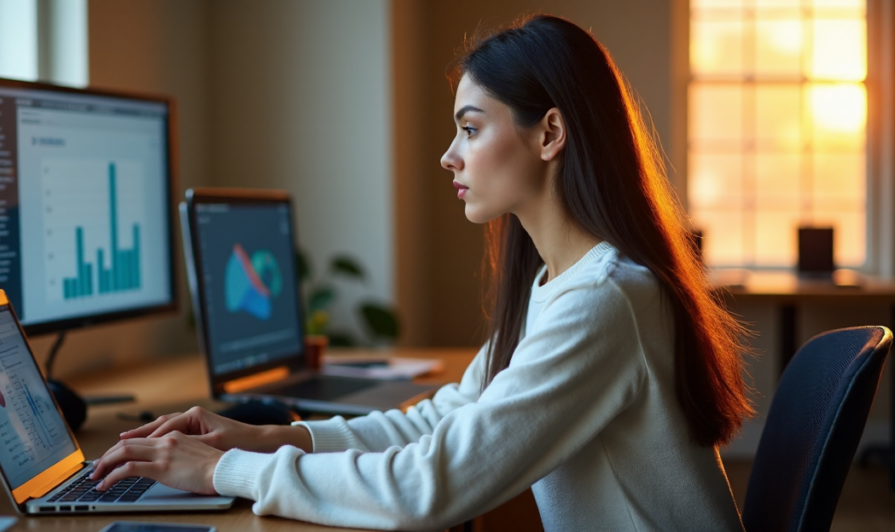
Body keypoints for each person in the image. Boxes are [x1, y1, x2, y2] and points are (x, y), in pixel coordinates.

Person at [90, 14, 753, 531]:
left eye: (470, 129)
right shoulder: (561, 284)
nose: (448, 156)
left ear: (550, 135)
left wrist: (225, 471)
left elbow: (430, 487)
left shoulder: (603, 300)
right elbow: (447, 420)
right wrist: (271, 436)